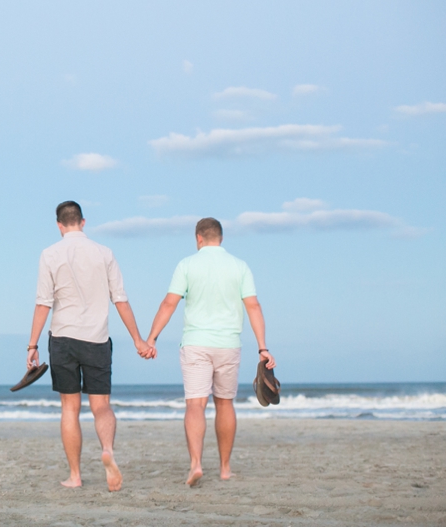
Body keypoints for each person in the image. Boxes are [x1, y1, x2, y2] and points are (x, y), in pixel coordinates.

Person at [27, 201, 152, 492]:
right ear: (83, 222)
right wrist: (138, 339)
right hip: (96, 339)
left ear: (59, 225)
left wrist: (32, 345)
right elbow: (120, 299)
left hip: (63, 337)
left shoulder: (49, 254)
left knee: (70, 408)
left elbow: (43, 303)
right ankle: (107, 449)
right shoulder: (104, 253)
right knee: (101, 405)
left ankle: (75, 475)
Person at [144, 217, 275, 486]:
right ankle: (225, 469)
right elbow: (254, 307)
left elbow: (169, 303)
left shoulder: (187, 264)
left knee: (195, 404)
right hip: (228, 345)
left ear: (198, 238)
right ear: (221, 239)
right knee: (224, 403)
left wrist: (152, 338)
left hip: (196, 344)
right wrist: (263, 347)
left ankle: (196, 464)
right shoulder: (239, 266)